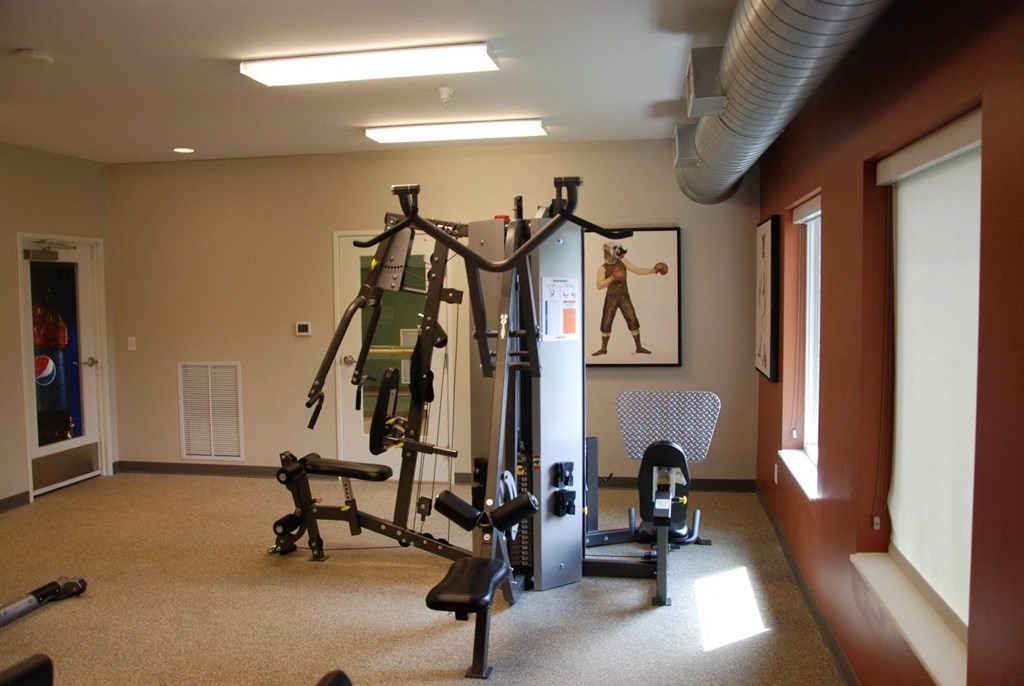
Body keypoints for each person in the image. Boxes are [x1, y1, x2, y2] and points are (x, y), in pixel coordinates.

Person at [592, 242, 667, 356]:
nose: (621, 254)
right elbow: (599, 285)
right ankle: (603, 348)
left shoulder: (623, 262)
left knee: (632, 319)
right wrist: (612, 277)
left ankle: (639, 347)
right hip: (611, 297)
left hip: (624, 296)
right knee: (606, 322)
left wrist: (653, 270)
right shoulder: (602, 269)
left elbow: (636, 270)